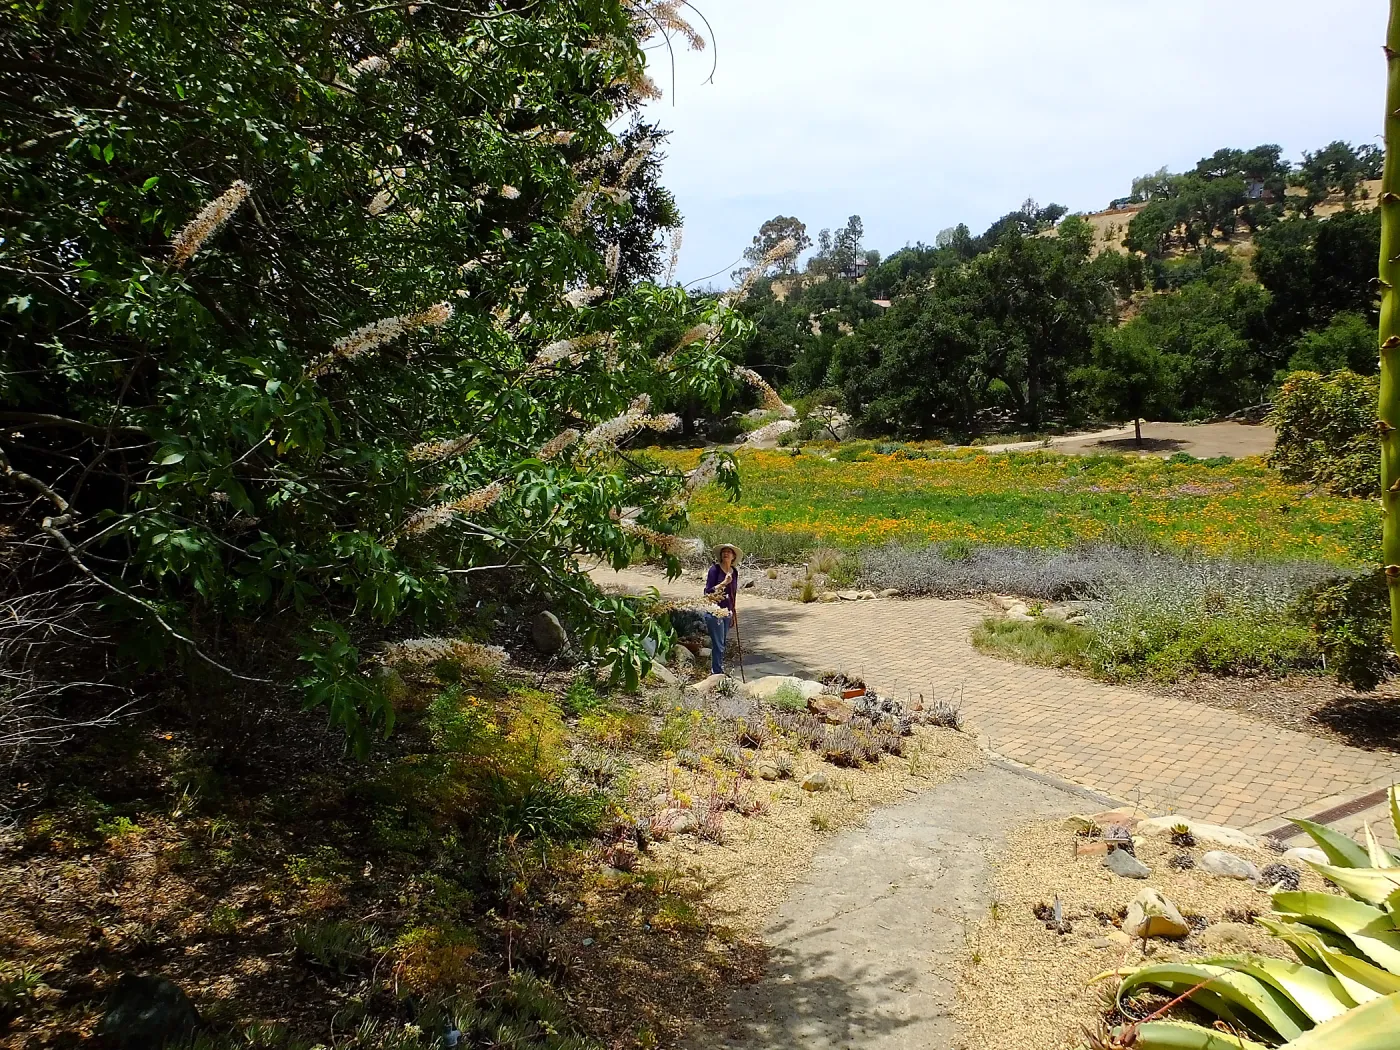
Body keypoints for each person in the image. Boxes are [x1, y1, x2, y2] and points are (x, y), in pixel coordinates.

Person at [703, 543, 741, 676]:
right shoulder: (715, 570)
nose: (726, 554)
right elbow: (707, 593)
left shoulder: (734, 572)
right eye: (724, 552)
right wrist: (724, 583)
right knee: (718, 644)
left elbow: (733, 594)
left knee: (722, 643)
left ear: (733, 556)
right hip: (715, 612)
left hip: (727, 612)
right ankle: (716, 672)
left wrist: (734, 612)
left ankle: (717, 669)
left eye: (729, 552)